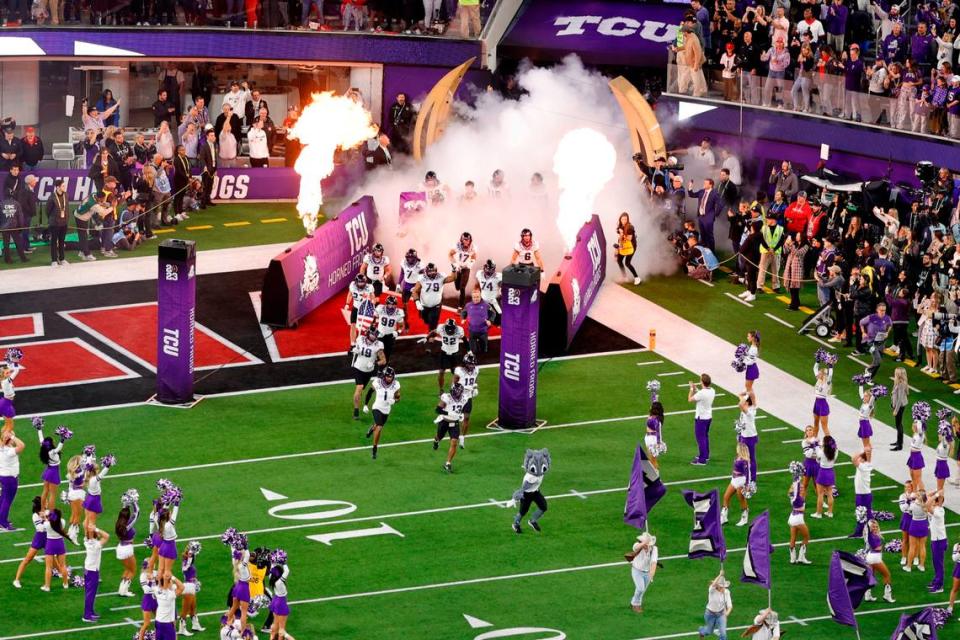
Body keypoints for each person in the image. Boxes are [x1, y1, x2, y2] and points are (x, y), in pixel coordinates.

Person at [363, 367, 399, 460]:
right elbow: (370, 392)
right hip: (377, 407)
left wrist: (394, 401)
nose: (389, 378)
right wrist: (365, 404)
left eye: (391, 377)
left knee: (378, 425)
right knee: (379, 427)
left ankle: (372, 428)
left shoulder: (396, 385)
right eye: (387, 376)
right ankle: (374, 449)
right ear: (384, 376)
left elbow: (398, 398)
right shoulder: (377, 382)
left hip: (386, 410)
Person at [350, 329, 385, 421]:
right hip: (358, 368)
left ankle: (357, 401)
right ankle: (356, 411)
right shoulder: (360, 339)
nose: (373, 337)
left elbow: (383, 360)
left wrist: (375, 363)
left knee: (361, 390)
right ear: (368, 333)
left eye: (375, 336)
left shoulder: (378, 345)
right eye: (372, 335)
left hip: (368, 371)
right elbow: (350, 351)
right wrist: (354, 350)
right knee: (360, 387)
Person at [434, 382, 468, 473]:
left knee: (454, 442)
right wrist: (449, 413)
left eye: (459, 392)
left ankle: (448, 463)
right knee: (439, 436)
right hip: (444, 421)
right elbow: (437, 410)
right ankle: (436, 441)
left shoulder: (464, 398)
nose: (458, 394)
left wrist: (461, 415)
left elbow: (462, 408)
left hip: (455, 423)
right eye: (456, 392)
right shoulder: (447, 397)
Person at [12, 496, 46, 588]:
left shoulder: (47, 512)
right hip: (39, 538)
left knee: (53, 558)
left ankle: (62, 575)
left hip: (49, 538)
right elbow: (40, 529)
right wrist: (46, 519)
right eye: (44, 502)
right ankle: (17, 580)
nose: (46, 503)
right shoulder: (35, 516)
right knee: (28, 559)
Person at [412, 263, 454, 335]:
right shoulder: (421, 278)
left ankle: (431, 335)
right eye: (430, 271)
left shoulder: (441, 276)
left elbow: (453, 278)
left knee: (432, 321)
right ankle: (432, 329)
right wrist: (417, 302)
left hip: (436, 305)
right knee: (425, 320)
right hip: (424, 305)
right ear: (426, 272)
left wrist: (454, 270)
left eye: (433, 271)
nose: (432, 273)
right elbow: (415, 291)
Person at [427, 318, 464, 391]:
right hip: (444, 353)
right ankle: (441, 390)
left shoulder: (459, 330)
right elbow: (434, 332)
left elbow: (465, 339)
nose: (450, 330)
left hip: (454, 354)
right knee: (441, 372)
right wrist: (428, 337)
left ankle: (456, 388)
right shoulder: (441, 328)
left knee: (456, 373)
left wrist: (469, 351)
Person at [82, 524, 109, 623]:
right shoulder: (96, 545)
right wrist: (96, 529)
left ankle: (90, 611)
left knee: (89, 594)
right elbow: (107, 536)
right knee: (90, 594)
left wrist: (91, 529)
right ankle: (86, 615)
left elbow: (86, 531)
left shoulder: (86, 541)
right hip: (92, 571)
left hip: (87, 569)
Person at [720, 442, 751, 527]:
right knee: (726, 496)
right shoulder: (737, 457)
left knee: (741, 500)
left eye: (737, 448)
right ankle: (723, 518)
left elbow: (748, 473)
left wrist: (747, 485)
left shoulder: (745, 460)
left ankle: (744, 519)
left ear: (740, 449)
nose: (736, 449)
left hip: (741, 481)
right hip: (734, 480)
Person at [859, 302, 893, 380]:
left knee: (878, 363)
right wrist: (863, 332)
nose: (883, 312)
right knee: (878, 360)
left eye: (884, 310)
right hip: (871, 342)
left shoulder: (887, 318)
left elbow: (890, 325)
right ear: (877, 310)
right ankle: (868, 370)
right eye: (881, 310)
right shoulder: (871, 317)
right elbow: (861, 323)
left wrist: (887, 332)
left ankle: (870, 378)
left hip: (881, 342)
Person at [627, 531, 658, 613]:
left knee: (642, 590)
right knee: (640, 588)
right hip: (636, 570)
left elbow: (654, 563)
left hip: (647, 572)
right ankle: (634, 604)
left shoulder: (654, 549)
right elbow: (636, 548)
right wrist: (644, 543)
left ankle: (637, 603)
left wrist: (651, 575)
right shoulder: (637, 545)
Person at [688, 373, 715, 466]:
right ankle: (705, 455)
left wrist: (691, 389)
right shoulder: (712, 390)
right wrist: (696, 389)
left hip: (701, 418)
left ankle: (702, 460)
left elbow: (690, 399)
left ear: (702, 382)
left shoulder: (702, 393)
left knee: (701, 438)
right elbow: (702, 394)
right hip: (708, 417)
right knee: (705, 436)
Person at [0, 427, 24, 530]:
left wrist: (6, 434)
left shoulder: (1, 447)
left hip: (4, 476)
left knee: (3, 498)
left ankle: (1, 520)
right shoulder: (9, 451)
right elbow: (22, 445)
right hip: (10, 478)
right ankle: (3, 522)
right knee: (7, 500)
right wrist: (12, 436)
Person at [688, 178, 721, 251]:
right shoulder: (702, 191)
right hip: (701, 216)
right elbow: (691, 195)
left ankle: (712, 251)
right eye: (704, 183)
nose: (704, 184)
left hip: (708, 217)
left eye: (706, 183)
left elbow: (720, 204)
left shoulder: (715, 193)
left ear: (711, 185)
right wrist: (690, 186)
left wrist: (715, 214)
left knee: (709, 235)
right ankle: (704, 248)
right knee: (702, 234)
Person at [698, 571, 732, 640]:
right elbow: (713, 584)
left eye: (724, 586)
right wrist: (720, 574)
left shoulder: (727, 592)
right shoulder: (712, 590)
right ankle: (701, 631)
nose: (724, 588)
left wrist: (726, 613)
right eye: (722, 587)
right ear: (718, 586)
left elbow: (730, 606)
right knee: (708, 631)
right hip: (710, 614)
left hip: (721, 614)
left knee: (723, 635)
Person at [42, 509, 69, 591]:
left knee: (48, 567)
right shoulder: (63, 522)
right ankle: (65, 583)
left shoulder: (47, 524)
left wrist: (46, 517)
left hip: (50, 544)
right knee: (63, 565)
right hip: (60, 543)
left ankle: (47, 586)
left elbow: (44, 524)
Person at [787, 476, 812, 565]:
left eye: (802, 487)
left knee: (793, 538)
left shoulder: (793, 496)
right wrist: (797, 480)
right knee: (806, 537)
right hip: (798, 519)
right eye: (800, 487)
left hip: (792, 518)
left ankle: (793, 559)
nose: (802, 488)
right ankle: (801, 558)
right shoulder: (797, 498)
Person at [449, 232, 477, 310]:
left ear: (470, 240)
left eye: (467, 240)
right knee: (457, 287)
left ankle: (460, 307)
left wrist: (470, 264)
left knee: (462, 287)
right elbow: (450, 254)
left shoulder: (473, 247)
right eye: (464, 239)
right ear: (461, 240)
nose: (466, 241)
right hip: (458, 267)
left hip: (466, 268)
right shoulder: (457, 246)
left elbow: (474, 257)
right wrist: (455, 264)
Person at [905, 489, 931, 572]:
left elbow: (909, 512)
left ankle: (908, 566)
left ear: (919, 496)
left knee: (912, 547)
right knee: (922, 546)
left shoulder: (913, 504)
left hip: (914, 524)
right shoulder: (926, 505)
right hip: (923, 524)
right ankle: (921, 565)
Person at [812, 435, 837, 518]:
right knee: (830, 494)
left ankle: (818, 513)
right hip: (830, 472)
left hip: (822, 472)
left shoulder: (821, 452)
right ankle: (830, 513)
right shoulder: (836, 451)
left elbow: (817, 455)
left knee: (820, 494)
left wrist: (816, 444)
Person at [736, 390, 759, 480]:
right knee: (742, 456)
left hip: (749, 437)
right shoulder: (750, 407)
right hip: (744, 435)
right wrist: (748, 391)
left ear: (746, 402)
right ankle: (743, 473)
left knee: (751, 458)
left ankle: (752, 478)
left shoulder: (750, 411)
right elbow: (740, 394)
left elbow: (740, 404)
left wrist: (746, 396)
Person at [154, 573, 184, 640]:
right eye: (170, 581)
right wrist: (172, 577)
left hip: (158, 622)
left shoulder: (156, 589)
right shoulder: (170, 595)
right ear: (167, 583)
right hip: (167, 624)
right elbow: (182, 587)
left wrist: (165, 579)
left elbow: (160, 583)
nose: (172, 583)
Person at [462, 289, 492, 357]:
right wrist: (463, 318)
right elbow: (464, 312)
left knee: (484, 349)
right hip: (472, 331)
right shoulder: (468, 305)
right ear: (472, 297)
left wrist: (490, 320)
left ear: (480, 296)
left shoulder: (486, 305)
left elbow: (493, 313)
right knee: (473, 351)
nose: (476, 299)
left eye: (477, 297)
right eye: (474, 297)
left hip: (483, 331)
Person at [851, 449, 874, 537]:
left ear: (863, 459)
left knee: (863, 514)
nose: (858, 459)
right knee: (866, 514)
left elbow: (853, 459)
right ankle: (864, 531)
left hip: (862, 495)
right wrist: (867, 452)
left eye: (860, 458)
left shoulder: (863, 467)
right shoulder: (867, 465)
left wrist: (861, 451)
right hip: (865, 494)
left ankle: (861, 532)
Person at [930, 491, 948, 593]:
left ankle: (939, 585)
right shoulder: (936, 509)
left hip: (939, 540)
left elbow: (928, 504)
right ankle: (936, 580)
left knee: (938, 563)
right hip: (936, 539)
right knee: (935, 562)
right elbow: (927, 501)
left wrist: (937, 495)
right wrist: (936, 492)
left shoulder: (939, 511)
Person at [615, 212, 641, 285]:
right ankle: (624, 277)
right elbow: (620, 239)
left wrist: (622, 233)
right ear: (620, 219)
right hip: (624, 246)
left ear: (627, 219)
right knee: (619, 260)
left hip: (631, 246)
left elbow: (629, 238)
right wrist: (620, 235)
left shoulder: (630, 227)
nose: (624, 220)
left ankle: (637, 278)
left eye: (625, 219)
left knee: (627, 263)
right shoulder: (619, 227)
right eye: (622, 219)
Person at [476, 259, 502, 325]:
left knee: (499, 317)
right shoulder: (479, 273)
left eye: (491, 269)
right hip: (482, 299)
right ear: (484, 267)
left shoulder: (498, 276)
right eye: (487, 269)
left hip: (494, 300)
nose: (488, 271)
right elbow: (477, 284)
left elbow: (502, 285)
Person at [199, 129, 218, 209]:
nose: (213, 137)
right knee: (205, 186)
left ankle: (208, 200)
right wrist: (204, 167)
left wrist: (215, 168)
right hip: (206, 169)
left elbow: (214, 157)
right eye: (211, 135)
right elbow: (202, 158)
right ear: (207, 136)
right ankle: (202, 203)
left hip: (212, 168)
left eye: (214, 135)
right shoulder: (204, 146)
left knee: (210, 186)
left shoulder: (214, 145)